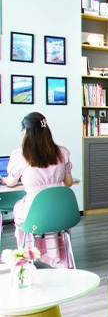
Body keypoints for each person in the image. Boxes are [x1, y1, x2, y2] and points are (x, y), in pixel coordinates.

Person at [1, 112, 74, 263]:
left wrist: (4, 179)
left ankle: (28, 255)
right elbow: (68, 182)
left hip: (34, 215)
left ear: (25, 132)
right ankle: (55, 256)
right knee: (42, 211)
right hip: (60, 213)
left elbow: (11, 182)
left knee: (19, 208)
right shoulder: (62, 152)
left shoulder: (21, 155)